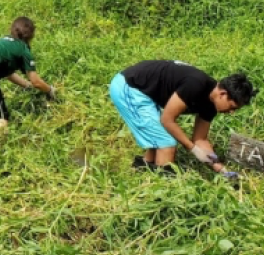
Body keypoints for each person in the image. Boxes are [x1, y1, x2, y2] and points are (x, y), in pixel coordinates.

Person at [109, 60, 254, 176]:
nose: (232, 112)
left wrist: (219, 167)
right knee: (166, 143)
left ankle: (143, 168)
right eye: (232, 106)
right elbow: (167, 120)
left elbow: (200, 139)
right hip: (129, 87)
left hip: (145, 94)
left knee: (158, 139)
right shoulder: (196, 84)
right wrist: (192, 149)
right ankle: (160, 194)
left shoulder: (211, 105)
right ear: (222, 94)